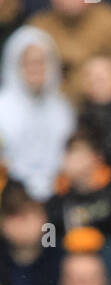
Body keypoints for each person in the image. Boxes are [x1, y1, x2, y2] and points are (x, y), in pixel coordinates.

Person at [0, 26, 75, 201]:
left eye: (42, 62)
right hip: (10, 197)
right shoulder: (2, 107)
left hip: (58, 193)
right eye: (28, 62)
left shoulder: (63, 108)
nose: (36, 69)